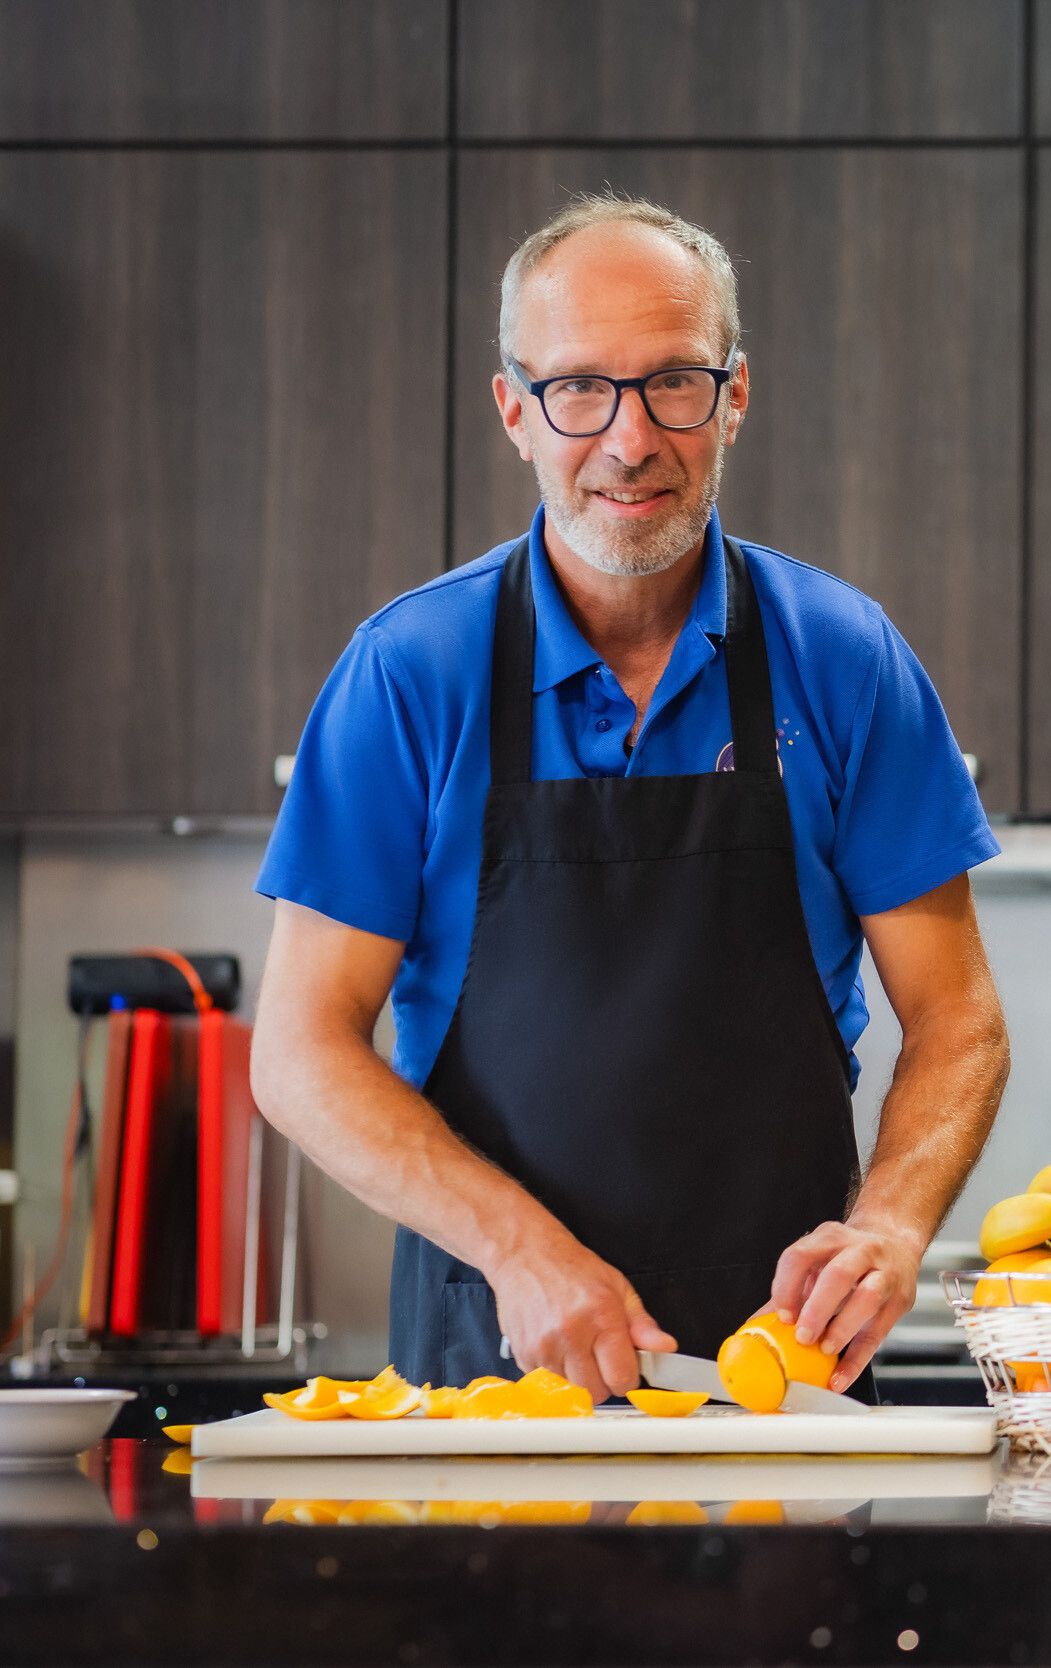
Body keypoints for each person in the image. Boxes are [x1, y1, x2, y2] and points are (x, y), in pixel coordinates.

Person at [251, 195, 1009, 1402]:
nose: (628, 438)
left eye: (673, 384)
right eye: (579, 390)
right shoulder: (410, 675)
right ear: (515, 409)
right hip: (490, 1379)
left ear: (736, 397)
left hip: (788, 1380)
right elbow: (297, 1051)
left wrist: (892, 1227)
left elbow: (957, 1017)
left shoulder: (845, 660)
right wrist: (519, 1248)